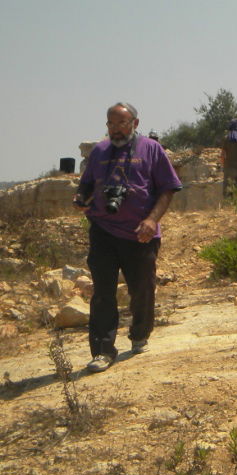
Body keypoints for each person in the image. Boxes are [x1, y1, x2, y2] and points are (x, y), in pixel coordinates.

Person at [73, 103, 182, 373]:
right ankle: (102, 350)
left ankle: (140, 334)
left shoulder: (151, 149)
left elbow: (168, 189)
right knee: (103, 292)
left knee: (142, 289)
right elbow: (86, 183)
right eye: (110, 124)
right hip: (103, 230)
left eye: (121, 124)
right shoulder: (99, 151)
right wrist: (79, 198)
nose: (115, 129)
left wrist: (151, 220)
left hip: (140, 234)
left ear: (134, 123)